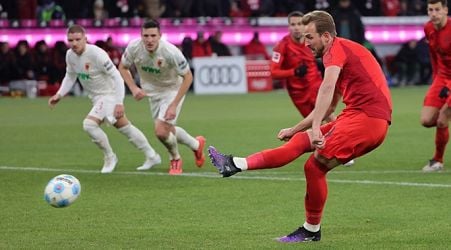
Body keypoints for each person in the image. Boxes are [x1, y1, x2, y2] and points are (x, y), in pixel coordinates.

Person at [208, 10, 392, 243]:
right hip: (356, 116)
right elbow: (328, 104)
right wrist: (296, 128)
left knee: (314, 167)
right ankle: (234, 164)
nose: (305, 43)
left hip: (368, 120)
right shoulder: (342, 52)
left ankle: (311, 230)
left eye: (309, 37)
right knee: (299, 141)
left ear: (326, 36)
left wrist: (316, 128)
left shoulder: (335, 51)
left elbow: (326, 88)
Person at [48, 25, 161, 174]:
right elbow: (70, 75)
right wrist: (60, 94)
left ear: (85, 39)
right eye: (71, 40)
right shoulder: (70, 55)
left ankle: (110, 157)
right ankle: (152, 155)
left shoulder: (97, 54)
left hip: (109, 95)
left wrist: (119, 102)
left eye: (78, 39)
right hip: (96, 98)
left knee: (89, 125)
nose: (74, 43)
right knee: (125, 127)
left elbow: (117, 77)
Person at [118, 19, 206, 175]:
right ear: (141, 35)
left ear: (160, 35)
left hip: (172, 90)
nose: (149, 40)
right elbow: (123, 67)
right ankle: (196, 145)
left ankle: (175, 159)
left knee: (160, 131)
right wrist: (133, 87)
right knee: (168, 129)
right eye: (146, 36)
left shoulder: (171, 52)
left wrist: (173, 104)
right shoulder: (134, 47)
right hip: (152, 93)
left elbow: (188, 77)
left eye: (153, 35)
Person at [271, 11, 354, 166]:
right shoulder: (281, 46)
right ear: (289, 27)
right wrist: (293, 72)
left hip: (315, 85)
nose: (297, 28)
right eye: (293, 24)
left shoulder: (312, 41)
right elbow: (273, 71)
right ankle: (330, 150)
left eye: (300, 24)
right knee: (313, 123)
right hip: (297, 93)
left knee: (327, 114)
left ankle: (345, 148)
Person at [420, 0, 451, 172]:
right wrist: (436, 79)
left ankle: (437, 161)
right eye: (430, 10)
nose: (434, 13)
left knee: (442, 118)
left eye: (437, 9)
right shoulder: (428, 28)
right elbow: (433, 54)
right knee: (426, 120)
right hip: (441, 77)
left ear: (445, 10)